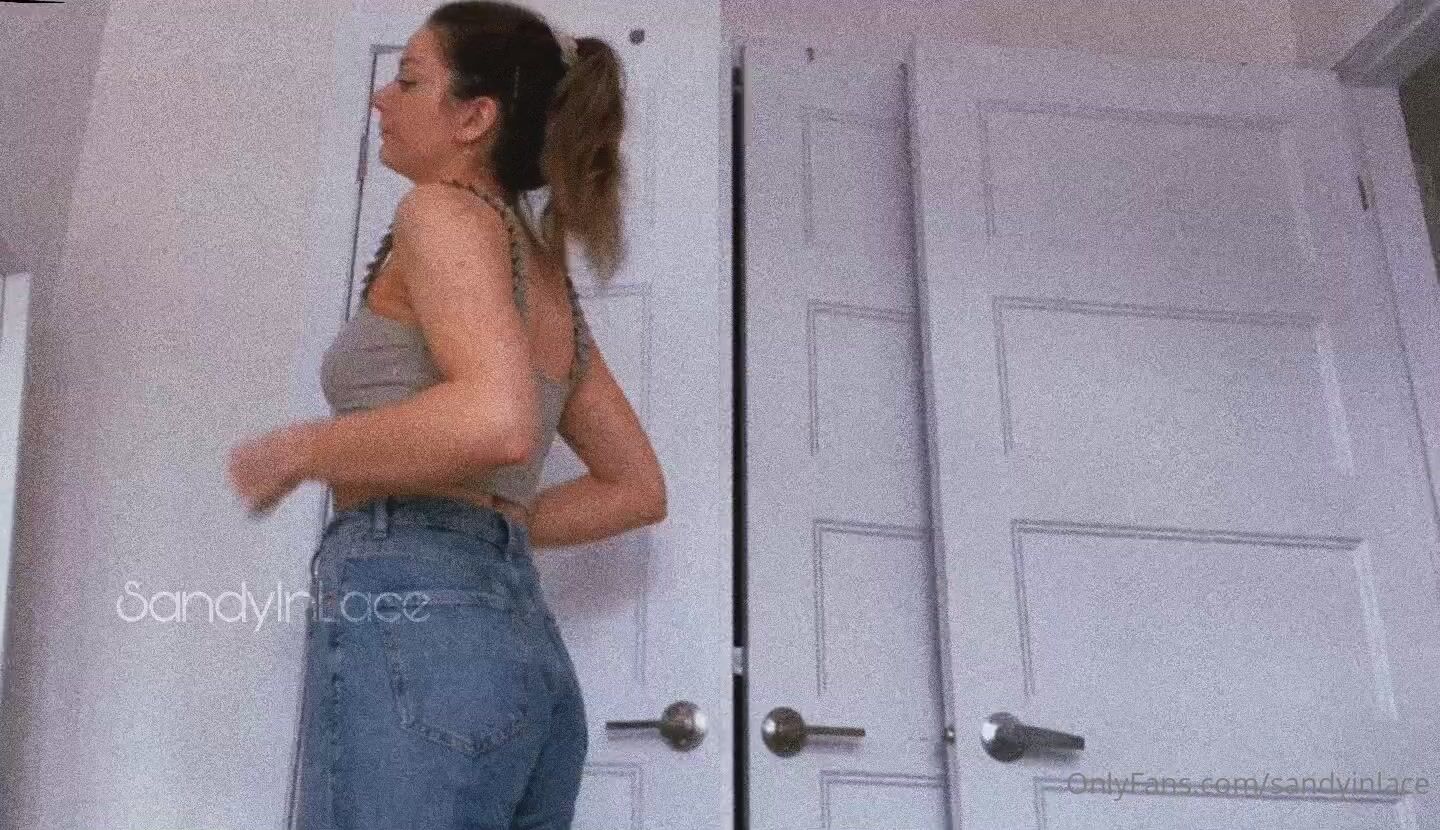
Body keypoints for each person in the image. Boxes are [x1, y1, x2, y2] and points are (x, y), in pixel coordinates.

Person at [225, 2, 667, 827]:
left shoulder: (440, 211)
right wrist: (492, 526)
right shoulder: (546, 279)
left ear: (474, 118)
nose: (381, 99)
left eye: (408, 80)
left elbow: (497, 420)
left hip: (421, 627)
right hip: (524, 656)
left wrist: (301, 449)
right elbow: (636, 488)